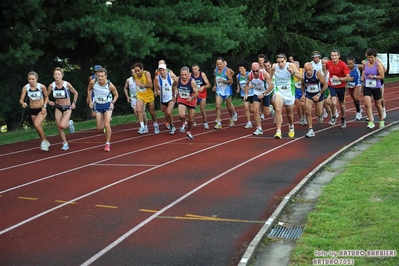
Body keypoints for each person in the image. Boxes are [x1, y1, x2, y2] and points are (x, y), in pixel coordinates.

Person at [270, 53, 302, 139]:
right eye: (278, 62)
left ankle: (291, 126)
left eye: (282, 62)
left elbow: (300, 76)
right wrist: (270, 81)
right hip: (279, 92)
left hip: (289, 92)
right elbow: (271, 74)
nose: (280, 64)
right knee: (277, 109)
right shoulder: (274, 66)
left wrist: (293, 73)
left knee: (289, 113)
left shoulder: (290, 65)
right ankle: (278, 131)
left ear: (286, 60)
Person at [87, 68, 119, 151]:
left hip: (107, 104)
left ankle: (107, 144)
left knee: (106, 125)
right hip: (98, 105)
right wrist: (90, 100)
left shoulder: (110, 85)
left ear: (106, 76)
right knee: (99, 127)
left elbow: (116, 95)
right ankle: (107, 119)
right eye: (98, 76)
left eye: (102, 76)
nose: (100, 78)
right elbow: (89, 89)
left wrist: (112, 103)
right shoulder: (93, 82)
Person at [47, 67, 78, 150]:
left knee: (63, 125)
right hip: (58, 107)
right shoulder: (51, 86)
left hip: (67, 107)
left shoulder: (66, 84)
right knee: (59, 127)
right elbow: (46, 95)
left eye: (59, 74)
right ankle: (65, 143)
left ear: (62, 76)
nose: (57, 76)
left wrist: (74, 103)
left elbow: (75, 93)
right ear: (53, 76)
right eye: (55, 74)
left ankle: (70, 123)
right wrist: (49, 101)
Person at [19, 71, 50, 151]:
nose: (31, 81)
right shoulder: (26, 87)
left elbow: (46, 97)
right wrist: (23, 103)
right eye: (29, 79)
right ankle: (45, 141)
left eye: (33, 79)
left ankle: (43, 142)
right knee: (38, 127)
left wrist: (44, 106)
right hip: (32, 109)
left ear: (36, 79)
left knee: (36, 124)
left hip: (41, 109)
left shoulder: (41, 87)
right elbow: (21, 100)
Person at [244, 62, 274, 135]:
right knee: (255, 110)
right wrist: (246, 94)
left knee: (267, 112)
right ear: (251, 70)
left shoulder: (264, 74)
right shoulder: (249, 75)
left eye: (256, 71)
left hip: (266, 92)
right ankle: (259, 128)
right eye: (253, 71)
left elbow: (272, 86)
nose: (255, 73)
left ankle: (271, 108)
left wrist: (264, 94)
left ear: (259, 69)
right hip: (256, 93)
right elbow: (247, 84)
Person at [325, 49, 352, 129]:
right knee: (333, 102)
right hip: (332, 85)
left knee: (342, 106)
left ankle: (343, 118)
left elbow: (348, 78)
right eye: (332, 55)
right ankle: (334, 117)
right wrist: (325, 79)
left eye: (335, 55)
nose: (334, 57)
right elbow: (326, 70)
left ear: (339, 56)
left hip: (341, 86)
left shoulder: (343, 65)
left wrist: (339, 79)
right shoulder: (328, 63)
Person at [301, 62, 328, 137]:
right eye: (306, 70)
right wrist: (303, 94)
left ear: (312, 68)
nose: (308, 72)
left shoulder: (317, 73)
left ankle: (320, 114)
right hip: (309, 94)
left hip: (319, 93)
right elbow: (302, 85)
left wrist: (319, 94)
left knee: (318, 113)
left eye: (310, 70)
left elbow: (325, 85)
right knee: (307, 110)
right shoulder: (303, 75)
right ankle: (310, 129)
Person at [361, 48, 385, 129]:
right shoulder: (365, 64)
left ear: (375, 57)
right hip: (367, 86)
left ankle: (381, 120)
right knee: (367, 104)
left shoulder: (377, 64)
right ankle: (371, 121)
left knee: (378, 104)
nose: (370, 59)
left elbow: (382, 76)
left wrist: (374, 76)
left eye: (372, 57)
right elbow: (364, 71)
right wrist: (362, 78)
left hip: (376, 86)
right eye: (369, 57)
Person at [173, 66, 199, 140]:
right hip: (182, 99)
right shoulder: (177, 80)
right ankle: (184, 122)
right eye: (182, 75)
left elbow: (197, 93)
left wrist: (191, 98)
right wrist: (174, 94)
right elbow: (173, 86)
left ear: (189, 74)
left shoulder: (192, 82)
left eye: (185, 74)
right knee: (181, 115)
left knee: (191, 120)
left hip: (191, 100)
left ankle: (189, 132)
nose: (184, 76)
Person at [133, 62, 159, 134]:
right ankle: (142, 127)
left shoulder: (146, 73)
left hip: (148, 95)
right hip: (140, 95)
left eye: (138, 70)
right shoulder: (135, 75)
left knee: (152, 111)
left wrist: (142, 84)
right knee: (138, 110)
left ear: (142, 69)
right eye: (136, 71)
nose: (137, 72)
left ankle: (156, 124)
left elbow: (151, 85)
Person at [213, 57, 237, 129]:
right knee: (217, 106)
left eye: (220, 64)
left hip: (227, 91)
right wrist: (214, 86)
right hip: (219, 90)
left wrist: (224, 81)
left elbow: (231, 81)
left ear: (223, 64)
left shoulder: (227, 71)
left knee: (229, 107)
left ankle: (232, 117)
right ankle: (219, 122)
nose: (219, 66)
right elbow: (215, 79)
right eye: (217, 64)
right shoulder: (215, 71)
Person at [154, 63, 177, 134]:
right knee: (166, 115)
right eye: (160, 70)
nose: (161, 72)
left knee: (169, 111)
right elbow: (156, 89)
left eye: (163, 70)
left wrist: (176, 89)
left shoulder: (171, 76)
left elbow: (178, 81)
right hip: (163, 98)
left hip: (171, 97)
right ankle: (170, 125)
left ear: (166, 70)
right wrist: (156, 91)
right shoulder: (157, 78)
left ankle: (172, 126)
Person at [191, 64, 211, 129]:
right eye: (193, 69)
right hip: (194, 93)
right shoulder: (190, 75)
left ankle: (205, 122)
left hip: (202, 93)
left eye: (195, 69)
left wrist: (203, 87)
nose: (194, 71)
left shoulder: (202, 74)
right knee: (192, 108)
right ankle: (193, 120)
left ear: (198, 69)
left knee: (202, 109)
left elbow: (208, 85)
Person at [236, 61, 253, 129]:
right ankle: (249, 122)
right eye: (239, 69)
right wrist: (238, 89)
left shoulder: (249, 74)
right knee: (246, 108)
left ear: (245, 68)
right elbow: (238, 83)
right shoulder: (238, 76)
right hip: (243, 94)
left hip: (251, 93)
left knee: (253, 110)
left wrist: (247, 88)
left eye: (242, 68)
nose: (240, 70)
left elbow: (254, 84)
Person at [294, 61, 306, 125]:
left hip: (303, 90)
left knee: (303, 105)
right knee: (298, 106)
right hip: (296, 90)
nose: (294, 68)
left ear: (298, 66)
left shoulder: (303, 71)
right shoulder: (291, 73)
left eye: (296, 67)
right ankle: (301, 118)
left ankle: (304, 117)